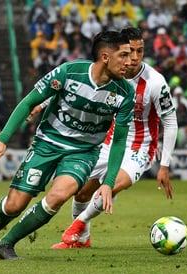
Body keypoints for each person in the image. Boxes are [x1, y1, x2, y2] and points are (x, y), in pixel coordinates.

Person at [0, 31, 135, 260]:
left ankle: (6, 244)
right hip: (47, 143)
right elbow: (29, 101)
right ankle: (2, 218)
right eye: (123, 55)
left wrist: (108, 183)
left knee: (59, 196)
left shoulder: (125, 93)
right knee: (14, 206)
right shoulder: (69, 72)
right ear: (105, 57)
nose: (129, 62)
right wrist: (2, 139)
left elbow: (119, 140)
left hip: (83, 152)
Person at [47, 27, 178, 249]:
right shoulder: (109, 74)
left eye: (140, 51)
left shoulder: (155, 82)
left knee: (113, 185)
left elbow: (170, 122)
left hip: (140, 148)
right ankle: (82, 239)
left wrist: (164, 165)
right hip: (108, 143)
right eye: (130, 52)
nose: (135, 57)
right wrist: (41, 105)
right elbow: (72, 90)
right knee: (81, 193)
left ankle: (77, 225)